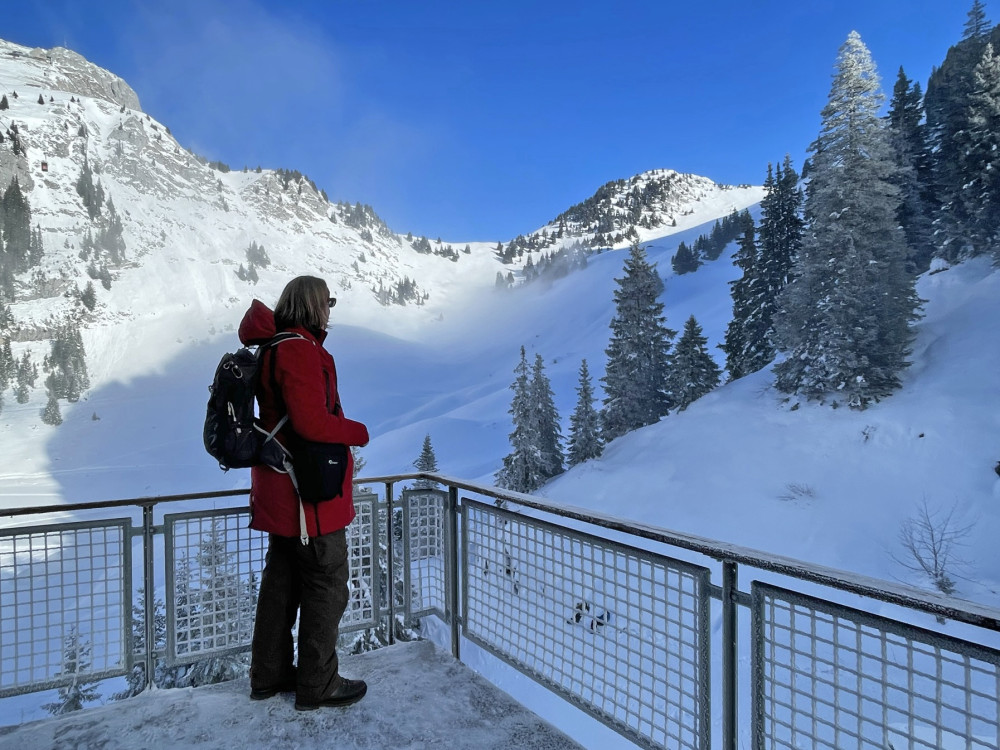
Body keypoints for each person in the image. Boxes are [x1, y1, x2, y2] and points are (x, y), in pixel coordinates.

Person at [238, 275, 370, 711]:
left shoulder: (275, 345)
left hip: (281, 491)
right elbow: (311, 422)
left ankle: (269, 676)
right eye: (327, 301)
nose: (330, 309)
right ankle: (318, 683)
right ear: (313, 305)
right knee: (327, 584)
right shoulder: (297, 349)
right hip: (306, 497)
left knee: (283, 583)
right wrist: (357, 432)